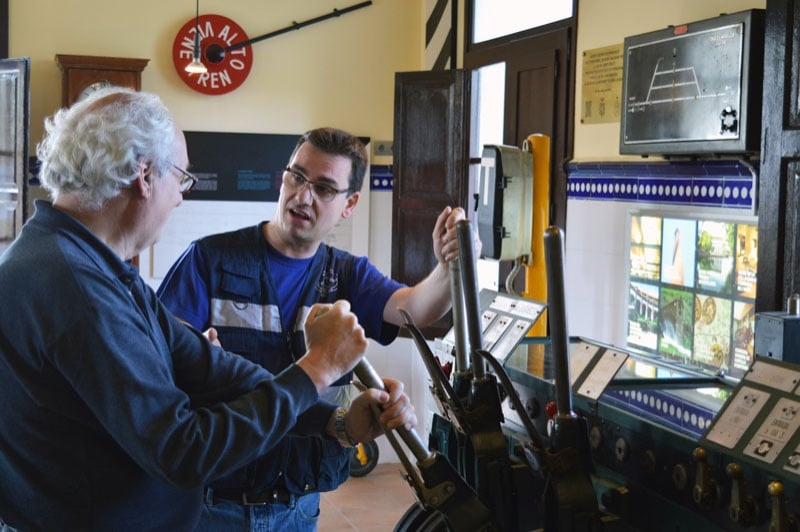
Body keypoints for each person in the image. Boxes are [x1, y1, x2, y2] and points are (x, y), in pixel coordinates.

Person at [0, 89, 416, 532]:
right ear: (144, 175)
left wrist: (330, 420)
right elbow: (182, 451)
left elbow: (204, 364)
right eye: (180, 178)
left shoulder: (89, 262)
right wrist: (316, 368)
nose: (179, 198)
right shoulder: (74, 286)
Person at [157, 127, 473, 531]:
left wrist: (449, 268)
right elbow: (164, 349)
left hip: (298, 505)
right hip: (212, 504)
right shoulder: (210, 259)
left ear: (350, 204)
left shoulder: (347, 275)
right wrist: (191, 359)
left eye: (323, 188)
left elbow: (417, 307)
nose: (303, 196)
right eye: (297, 177)